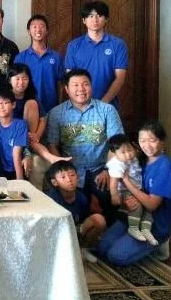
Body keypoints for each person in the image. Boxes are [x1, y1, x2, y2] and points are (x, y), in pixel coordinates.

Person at [47, 69, 124, 223]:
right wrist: (63, 171)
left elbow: (118, 145)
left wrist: (109, 170)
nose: (81, 89)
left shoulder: (107, 110)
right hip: (72, 170)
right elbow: (52, 145)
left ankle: (106, 231)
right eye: (75, 85)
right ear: (67, 89)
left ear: (91, 86)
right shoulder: (56, 113)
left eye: (85, 84)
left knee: (109, 199)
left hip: (100, 168)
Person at [98, 121, 171, 266]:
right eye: (142, 140)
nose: (147, 145)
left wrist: (127, 181)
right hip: (133, 215)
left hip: (154, 223)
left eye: (152, 140)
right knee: (102, 248)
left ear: (162, 141)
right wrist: (126, 201)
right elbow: (115, 152)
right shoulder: (137, 159)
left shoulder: (165, 166)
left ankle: (160, 243)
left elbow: (151, 205)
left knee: (115, 256)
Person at [64, 1, 128, 109]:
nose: (95, 19)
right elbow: (70, 79)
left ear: (106, 19)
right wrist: (81, 103)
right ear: (84, 20)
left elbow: (120, 78)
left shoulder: (118, 45)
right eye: (90, 16)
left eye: (99, 15)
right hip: (79, 107)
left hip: (108, 106)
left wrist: (102, 104)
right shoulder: (73, 46)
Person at [45, 161, 107, 263]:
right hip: (57, 232)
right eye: (63, 177)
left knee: (99, 220)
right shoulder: (51, 198)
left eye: (72, 175)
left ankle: (83, 248)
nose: (69, 180)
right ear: (55, 182)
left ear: (77, 177)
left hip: (75, 228)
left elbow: (84, 219)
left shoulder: (82, 197)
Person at [107, 134, 157, 244]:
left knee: (148, 208)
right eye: (123, 152)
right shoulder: (117, 164)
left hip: (138, 188)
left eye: (129, 150)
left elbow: (137, 153)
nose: (128, 154)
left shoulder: (133, 157)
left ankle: (145, 228)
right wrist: (114, 195)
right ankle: (133, 227)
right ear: (115, 154)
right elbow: (113, 183)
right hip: (126, 191)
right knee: (136, 205)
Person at [14, 14, 64, 113]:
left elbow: (62, 84)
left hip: (52, 108)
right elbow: (15, 85)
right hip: (27, 108)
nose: (38, 30)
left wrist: (61, 106)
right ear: (29, 31)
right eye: (34, 27)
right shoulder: (21, 57)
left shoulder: (56, 57)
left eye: (42, 26)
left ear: (47, 30)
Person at [0, 89, 28, 180]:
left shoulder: (20, 124)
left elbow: (16, 152)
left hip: (15, 168)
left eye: (5, 102)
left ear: (13, 104)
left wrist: (19, 178)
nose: (1, 106)